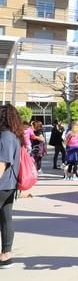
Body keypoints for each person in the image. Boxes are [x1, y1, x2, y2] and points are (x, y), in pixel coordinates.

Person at [0, 105, 22, 268]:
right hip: (10, 184)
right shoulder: (14, 136)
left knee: (6, 219)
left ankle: (6, 254)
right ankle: (6, 255)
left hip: (2, 184)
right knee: (6, 219)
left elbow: (3, 162)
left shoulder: (5, 136)